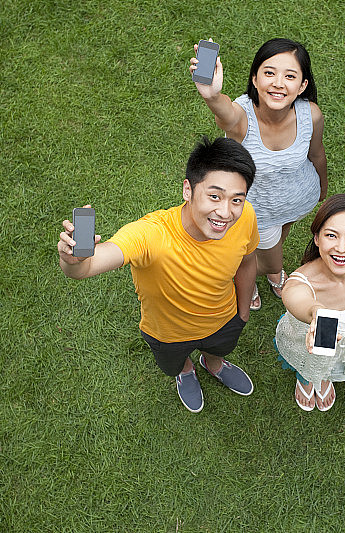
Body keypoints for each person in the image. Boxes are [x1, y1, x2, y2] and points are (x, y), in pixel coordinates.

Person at [57, 137, 259, 413]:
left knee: (219, 349)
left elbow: (248, 261)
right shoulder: (150, 234)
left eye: (236, 199)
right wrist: (73, 260)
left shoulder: (244, 215)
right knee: (175, 362)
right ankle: (186, 371)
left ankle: (214, 365)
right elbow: (87, 267)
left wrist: (243, 312)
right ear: (188, 190)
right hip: (167, 334)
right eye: (214, 196)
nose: (225, 212)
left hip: (223, 319)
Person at [190, 38, 328, 310]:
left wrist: (322, 186)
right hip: (258, 210)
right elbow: (225, 114)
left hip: (298, 197)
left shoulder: (310, 115)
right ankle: (264, 275)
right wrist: (212, 96)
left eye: (290, 76)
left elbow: (317, 154)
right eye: (269, 73)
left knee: (278, 235)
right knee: (266, 256)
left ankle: (266, 272)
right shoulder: (242, 118)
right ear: (254, 79)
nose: (278, 83)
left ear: (302, 86)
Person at [275, 194, 345, 411]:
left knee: (331, 367)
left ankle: (324, 378)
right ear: (317, 239)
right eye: (331, 235)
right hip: (306, 345)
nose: (341, 248)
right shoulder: (298, 282)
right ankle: (307, 378)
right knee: (310, 364)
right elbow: (298, 299)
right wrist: (316, 312)